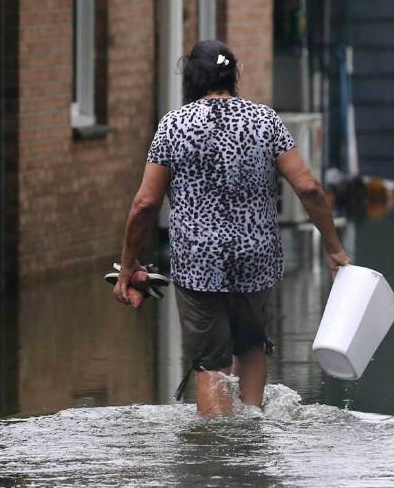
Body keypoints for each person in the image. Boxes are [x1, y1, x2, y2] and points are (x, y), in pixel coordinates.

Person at [114, 40, 351, 416]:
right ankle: (252, 432)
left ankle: (222, 453)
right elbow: (308, 187)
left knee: (211, 364)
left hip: (197, 260)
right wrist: (334, 247)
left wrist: (129, 264)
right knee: (252, 346)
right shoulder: (266, 120)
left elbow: (145, 205)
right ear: (232, 76)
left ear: (192, 79)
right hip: (256, 255)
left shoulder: (173, 125)